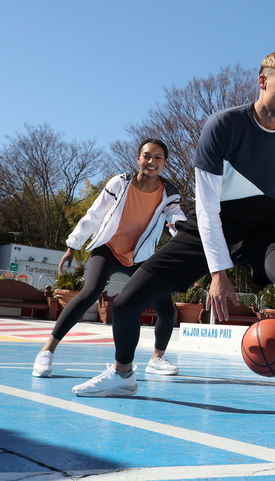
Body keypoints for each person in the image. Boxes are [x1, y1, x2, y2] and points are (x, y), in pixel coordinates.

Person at [71, 52, 275, 432]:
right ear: (262, 81)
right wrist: (218, 271)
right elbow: (205, 206)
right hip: (209, 227)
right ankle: (123, 375)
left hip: (262, 231)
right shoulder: (222, 126)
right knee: (124, 305)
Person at [33, 139, 187, 379]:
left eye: (158, 157)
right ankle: (47, 351)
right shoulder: (120, 183)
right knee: (90, 291)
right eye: (147, 156)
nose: (152, 161)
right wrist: (72, 246)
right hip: (109, 248)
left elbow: (176, 217)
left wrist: (183, 234)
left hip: (140, 255)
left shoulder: (169, 192)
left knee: (166, 308)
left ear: (165, 162)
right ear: (138, 158)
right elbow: (94, 214)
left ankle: (157, 357)